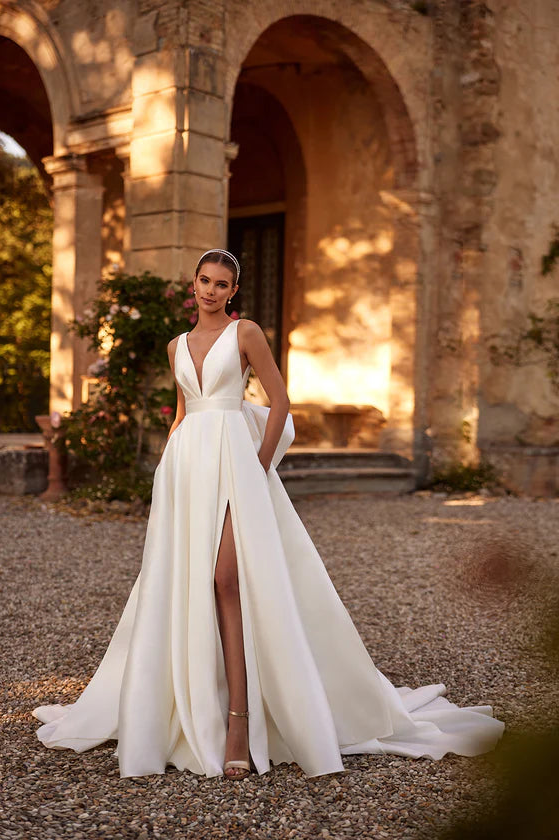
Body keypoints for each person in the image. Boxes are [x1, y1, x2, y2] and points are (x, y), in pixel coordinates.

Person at [32, 248, 505, 782]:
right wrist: (165, 473)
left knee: (226, 578)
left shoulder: (246, 333)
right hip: (185, 471)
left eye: (221, 284)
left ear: (233, 291)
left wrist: (256, 468)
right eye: (204, 281)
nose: (211, 291)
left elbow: (280, 404)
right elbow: (184, 413)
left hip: (236, 464)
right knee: (187, 584)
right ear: (193, 284)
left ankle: (240, 720)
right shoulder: (176, 346)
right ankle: (199, 706)